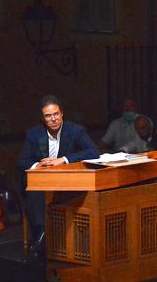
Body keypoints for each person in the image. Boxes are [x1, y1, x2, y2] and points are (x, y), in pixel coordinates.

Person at [16, 95, 99, 242]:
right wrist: (38, 165)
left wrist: (64, 160)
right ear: (43, 119)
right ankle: (41, 236)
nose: (53, 119)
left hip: (67, 181)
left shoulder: (75, 130)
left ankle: (65, 238)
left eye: (56, 114)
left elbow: (93, 151)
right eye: (48, 116)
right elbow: (22, 161)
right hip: (42, 182)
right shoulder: (34, 134)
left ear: (62, 114)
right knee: (34, 190)